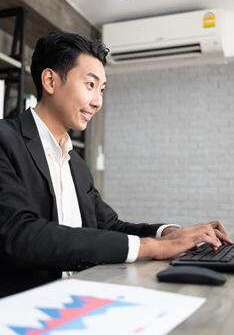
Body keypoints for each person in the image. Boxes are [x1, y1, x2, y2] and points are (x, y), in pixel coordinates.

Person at [0, 31, 232, 298]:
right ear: (50, 80)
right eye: (90, 85)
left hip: (79, 298)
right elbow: (20, 235)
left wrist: (168, 233)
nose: (98, 101)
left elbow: (110, 226)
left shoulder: (76, 163)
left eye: (102, 89)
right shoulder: (6, 141)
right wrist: (151, 247)